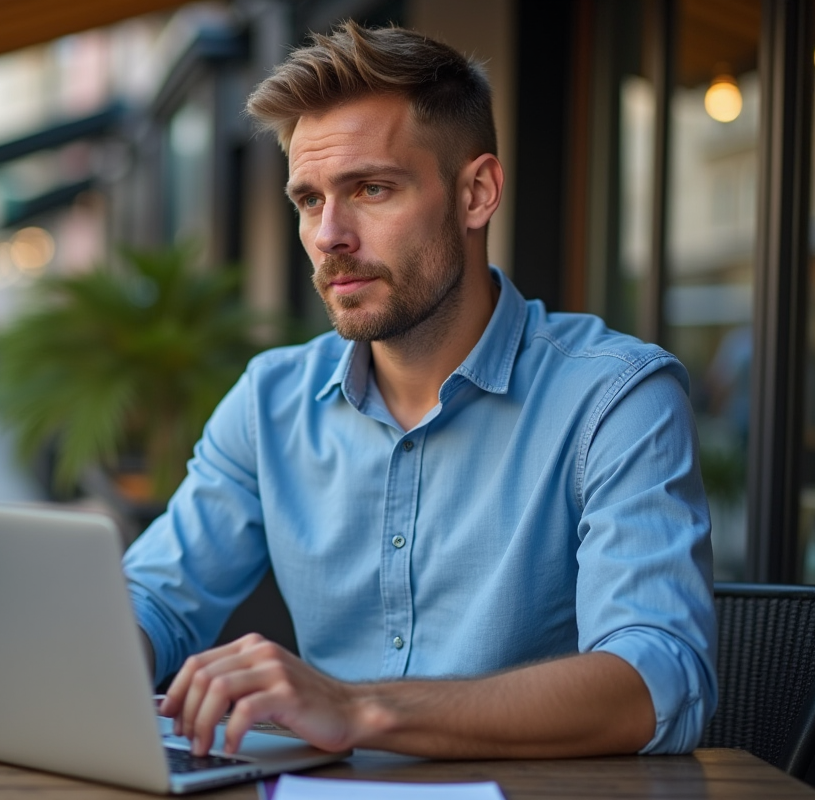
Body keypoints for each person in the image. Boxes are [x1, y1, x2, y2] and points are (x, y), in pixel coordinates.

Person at [123, 22, 715, 762]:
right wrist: (79, 655)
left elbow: (658, 681)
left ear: (476, 193)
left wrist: (358, 709)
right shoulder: (269, 401)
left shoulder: (615, 398)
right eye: (308, 200)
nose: (330, 235)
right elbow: (156, 598)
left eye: (371, 189)